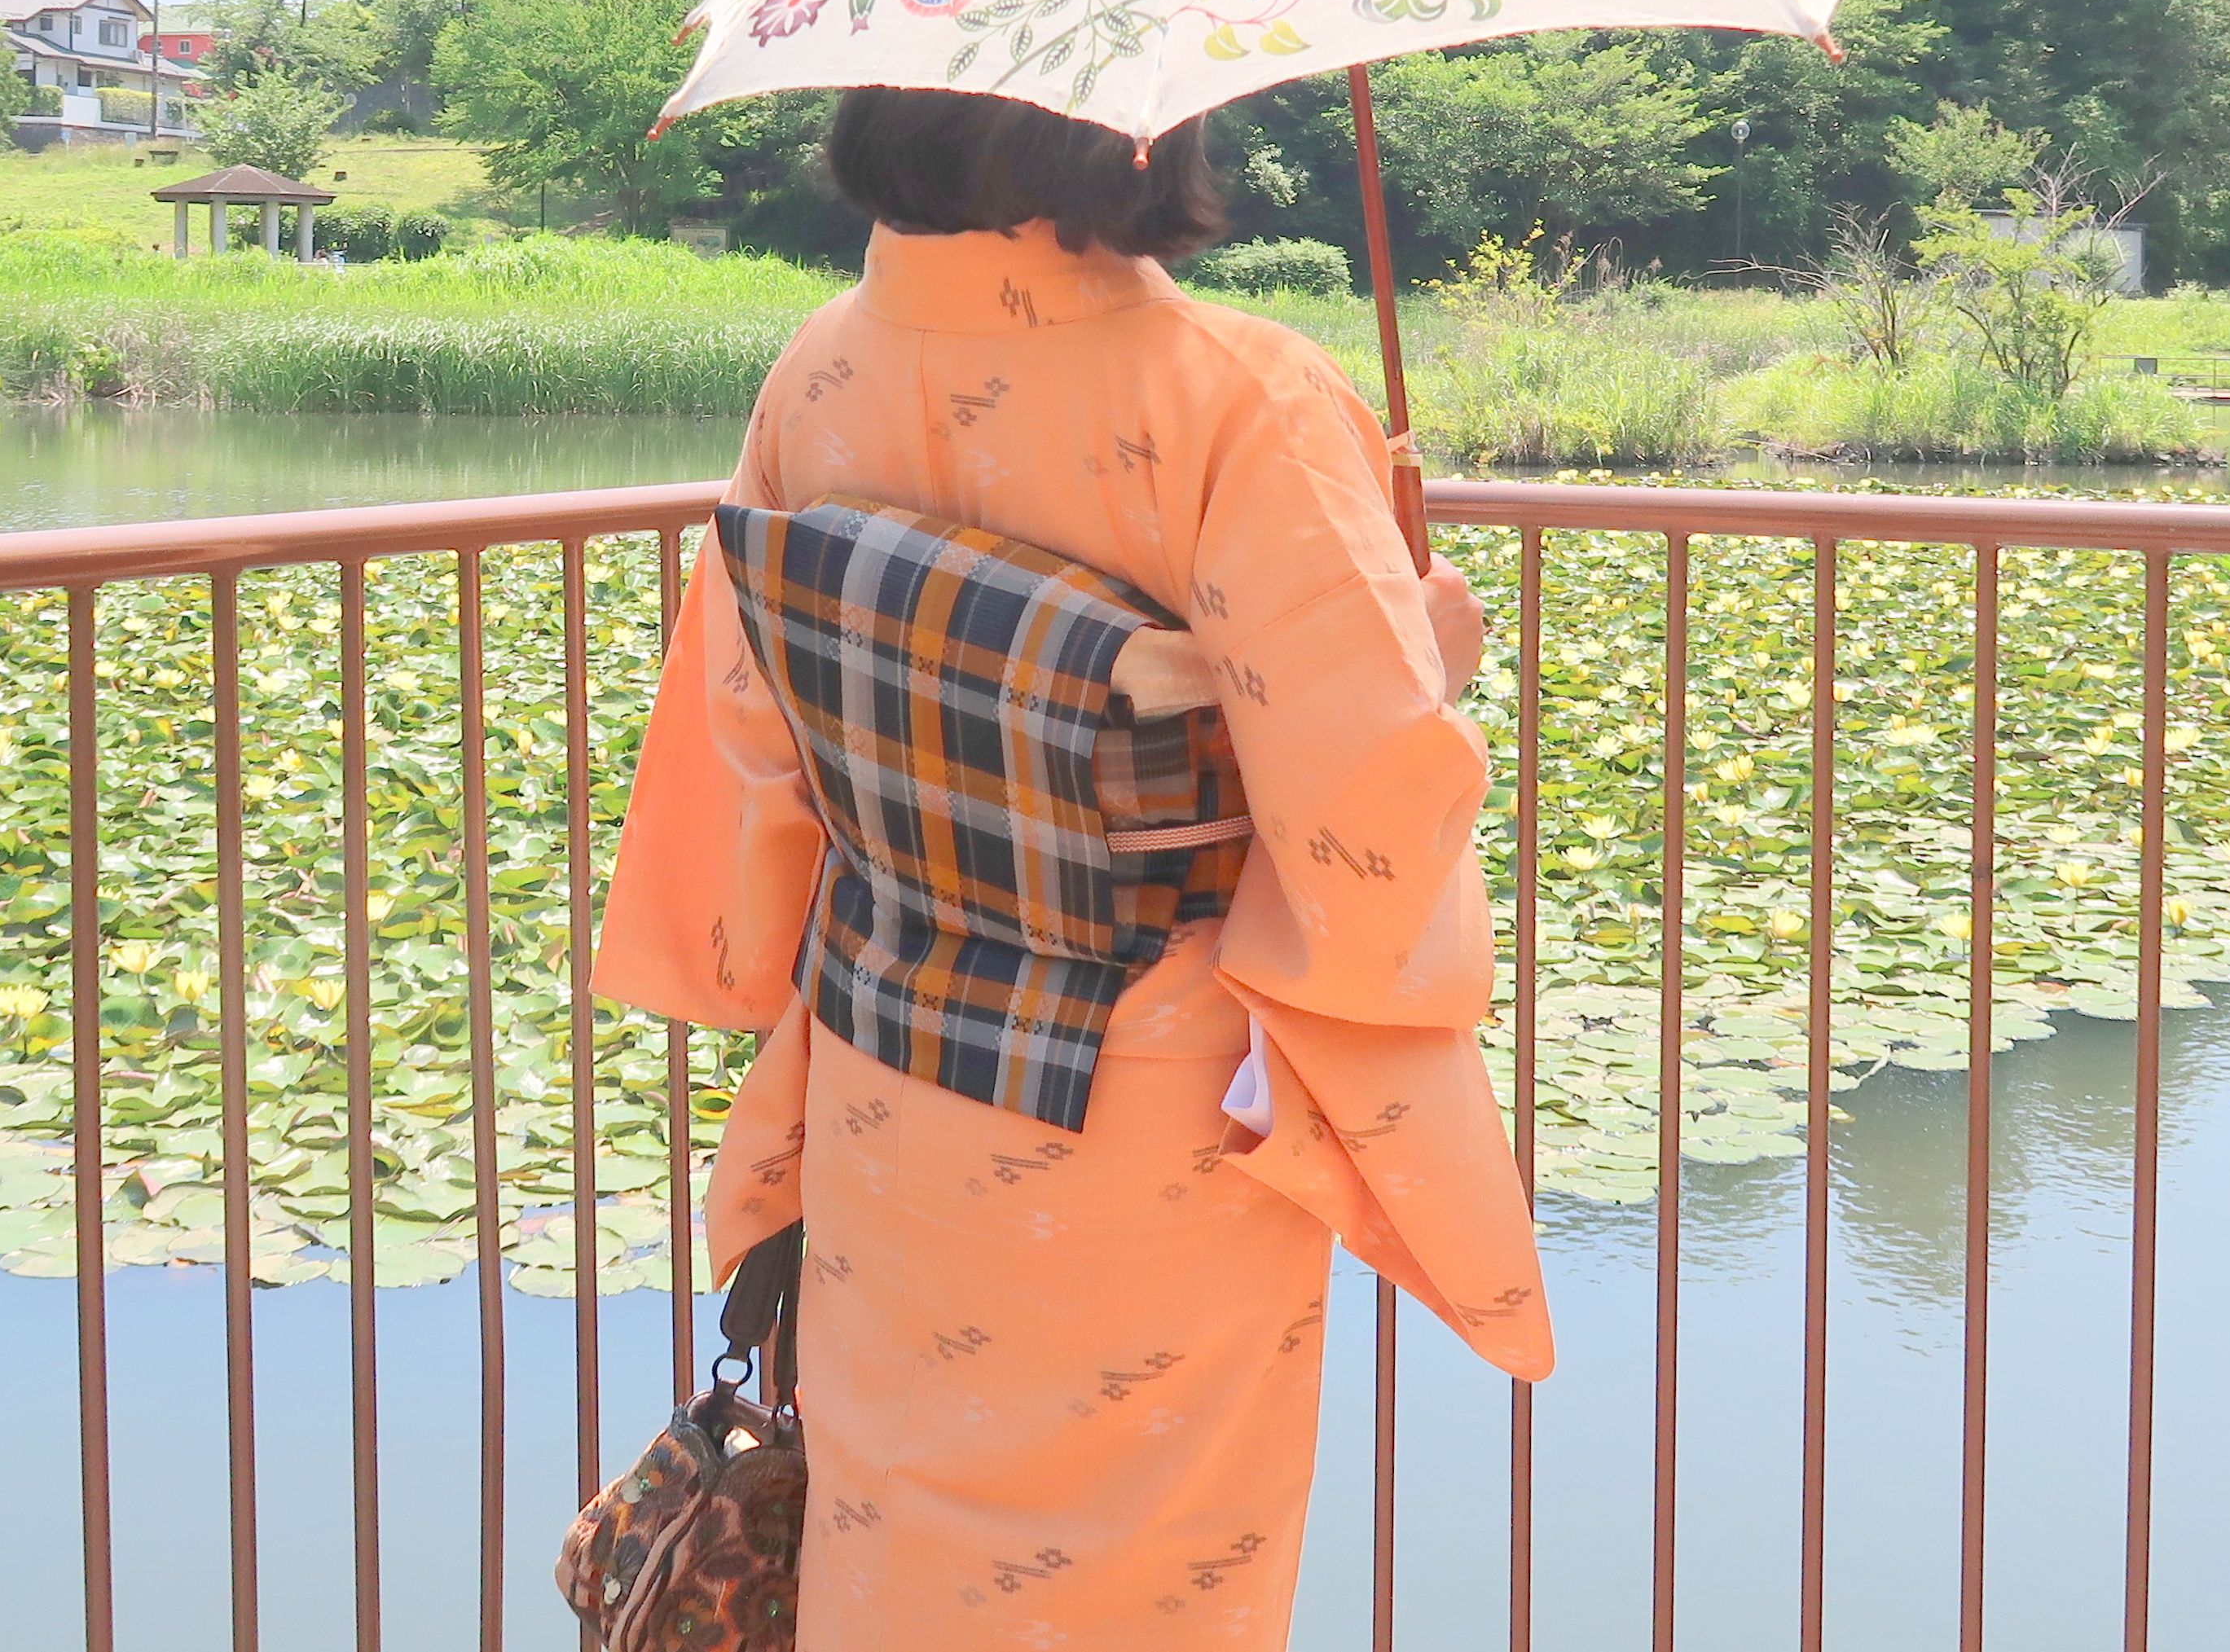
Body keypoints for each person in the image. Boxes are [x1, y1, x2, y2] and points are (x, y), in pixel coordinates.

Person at [592, 87, 1552, 1649]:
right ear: (1137, 132)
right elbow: (1358, 817)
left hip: (887, 1057)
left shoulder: (818, 372)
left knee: (892, 1532)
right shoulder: (1239, 390)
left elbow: (755, 737)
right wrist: (1423, 659)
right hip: (1145, 1094)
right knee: (1144, 1572)